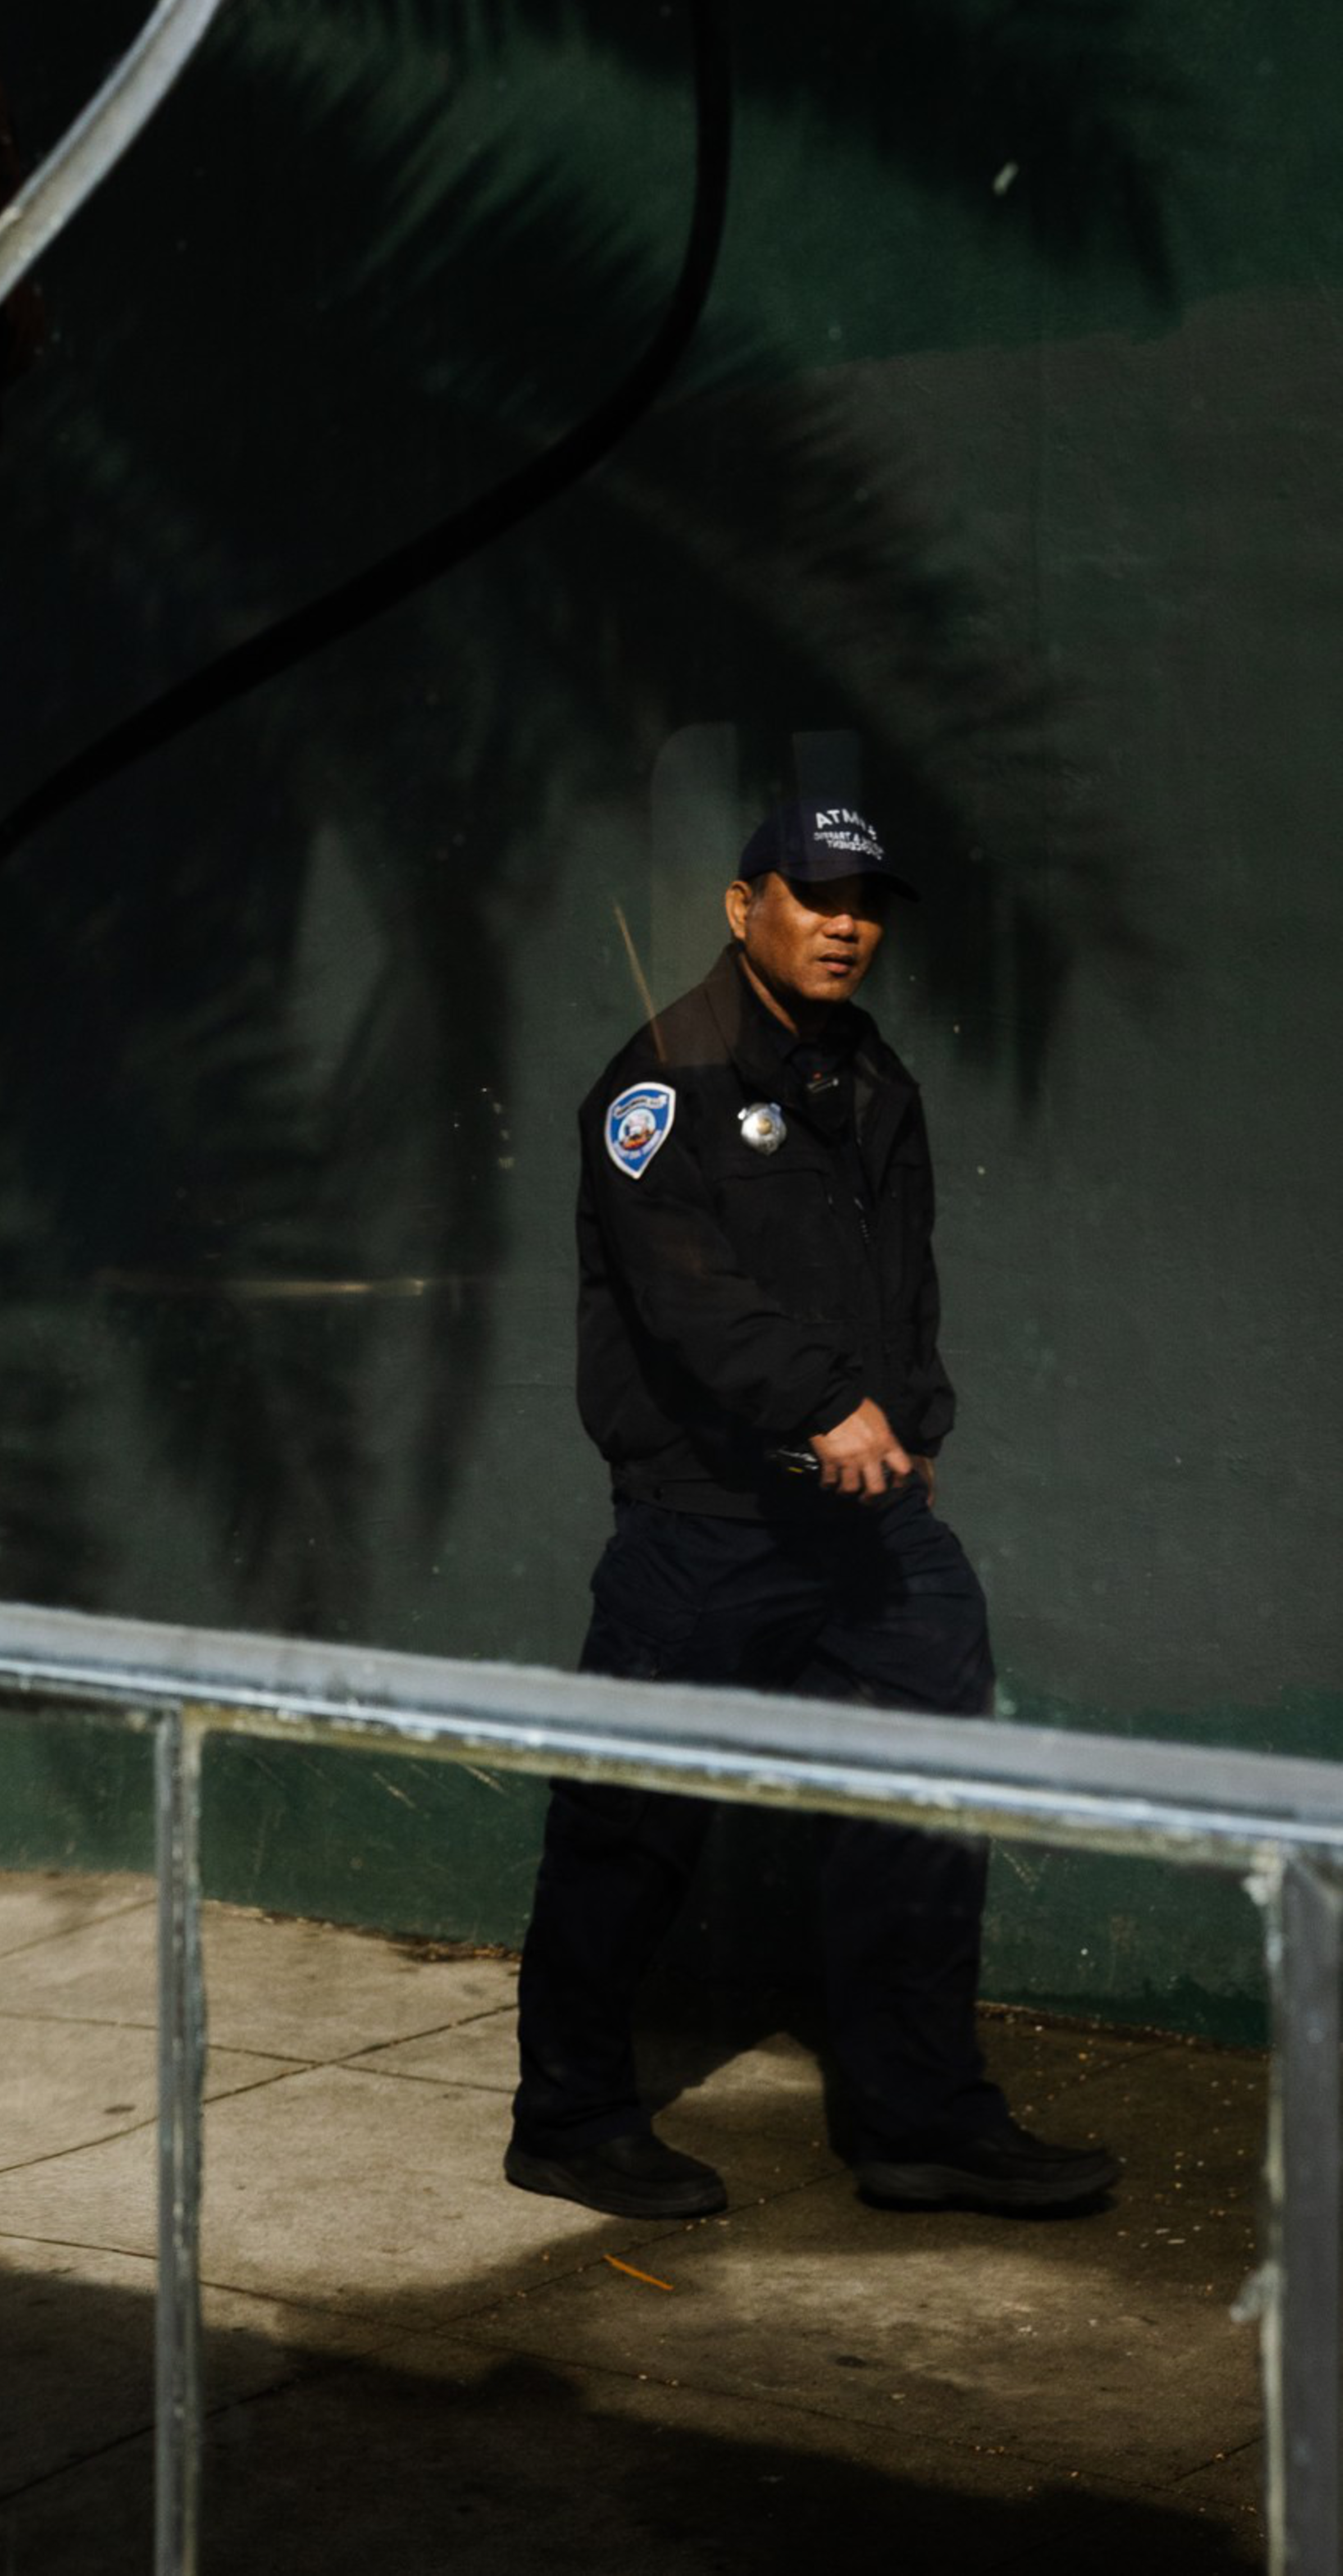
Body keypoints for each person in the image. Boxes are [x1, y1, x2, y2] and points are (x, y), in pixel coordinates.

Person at [506, 797, 1121, 2219]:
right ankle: (573, 2115)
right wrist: (818, 1406)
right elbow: (687, 1293)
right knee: (632, 1821)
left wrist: (915, 1424)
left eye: (866, 902)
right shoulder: (661, 1080)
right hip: (705, 1521)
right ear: (744, 906)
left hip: (870, 1527)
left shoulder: (870, 1072)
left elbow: (902, 1284)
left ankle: (918, 2122)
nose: (847, 924)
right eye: (815, 895)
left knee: (920, 1802)